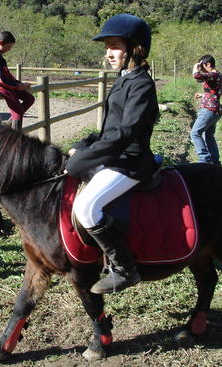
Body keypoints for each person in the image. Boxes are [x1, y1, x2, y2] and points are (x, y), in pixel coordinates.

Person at [65, 14, 160, 294]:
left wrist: (84, 159)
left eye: (115, 46)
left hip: (130, 163)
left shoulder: (142, 84)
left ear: (135, 48)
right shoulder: (123, 79)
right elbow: (108, 129)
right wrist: (84, 145)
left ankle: (125, 269)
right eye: (107, 47)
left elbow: (125, 134)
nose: (109, 53)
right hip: (115, 157)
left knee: (85, 208)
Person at [0, 31, 34, 131]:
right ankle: (15, 137)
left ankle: (7, 126)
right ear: (0, 43)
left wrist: (19, 83)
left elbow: (7, 75)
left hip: (5, 84)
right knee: (17, 111)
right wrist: (17, 86)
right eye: (8, 47)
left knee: (29, 99)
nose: (9, 50)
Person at [191, 55, 222, 166]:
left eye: (202, 66)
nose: (201, 68)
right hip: (215, 109)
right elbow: (218, 91)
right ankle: (215, 163)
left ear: (208, 64)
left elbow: (197, 76)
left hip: (209, 109)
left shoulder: (214, 74)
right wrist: (203, 95)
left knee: (195, 133)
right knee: (209, 135)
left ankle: (205, 161)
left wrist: (195, 66)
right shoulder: (219, 75)